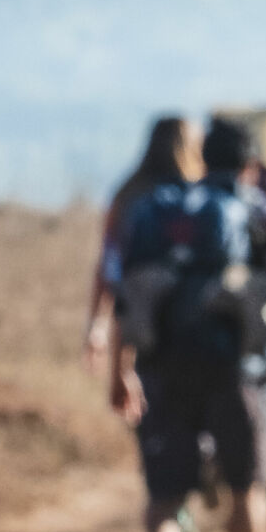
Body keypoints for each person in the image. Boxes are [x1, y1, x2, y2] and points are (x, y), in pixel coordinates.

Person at [109, 117, 266, 532]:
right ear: (251, 165)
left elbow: (130, 293)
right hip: (235, 375)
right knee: (246, 492)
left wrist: (122, 371)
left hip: (163, 367)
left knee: (167, 491)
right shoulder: (260, 213)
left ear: (201, 158)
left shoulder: (157, 210)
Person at [84, 117, 201, 370]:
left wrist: (98, 326)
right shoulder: (199, 202)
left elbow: (111, 269)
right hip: (193, 334)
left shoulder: (128, 196)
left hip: (139, 333)